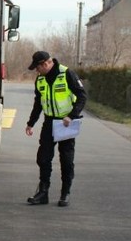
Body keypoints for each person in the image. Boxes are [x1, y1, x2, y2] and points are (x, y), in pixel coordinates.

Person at [25, 51, 87, 207]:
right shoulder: (40, 79)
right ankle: (43, 193)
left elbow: (82, 96)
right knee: (43, 158)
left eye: (38, 68)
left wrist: (72, 116)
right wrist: (31, 123)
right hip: (49, 123)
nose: (37, 71)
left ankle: (65, 193)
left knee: (66, 160)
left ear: (45, 63)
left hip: (66, 123)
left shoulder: (67, 74)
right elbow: (38, 103)